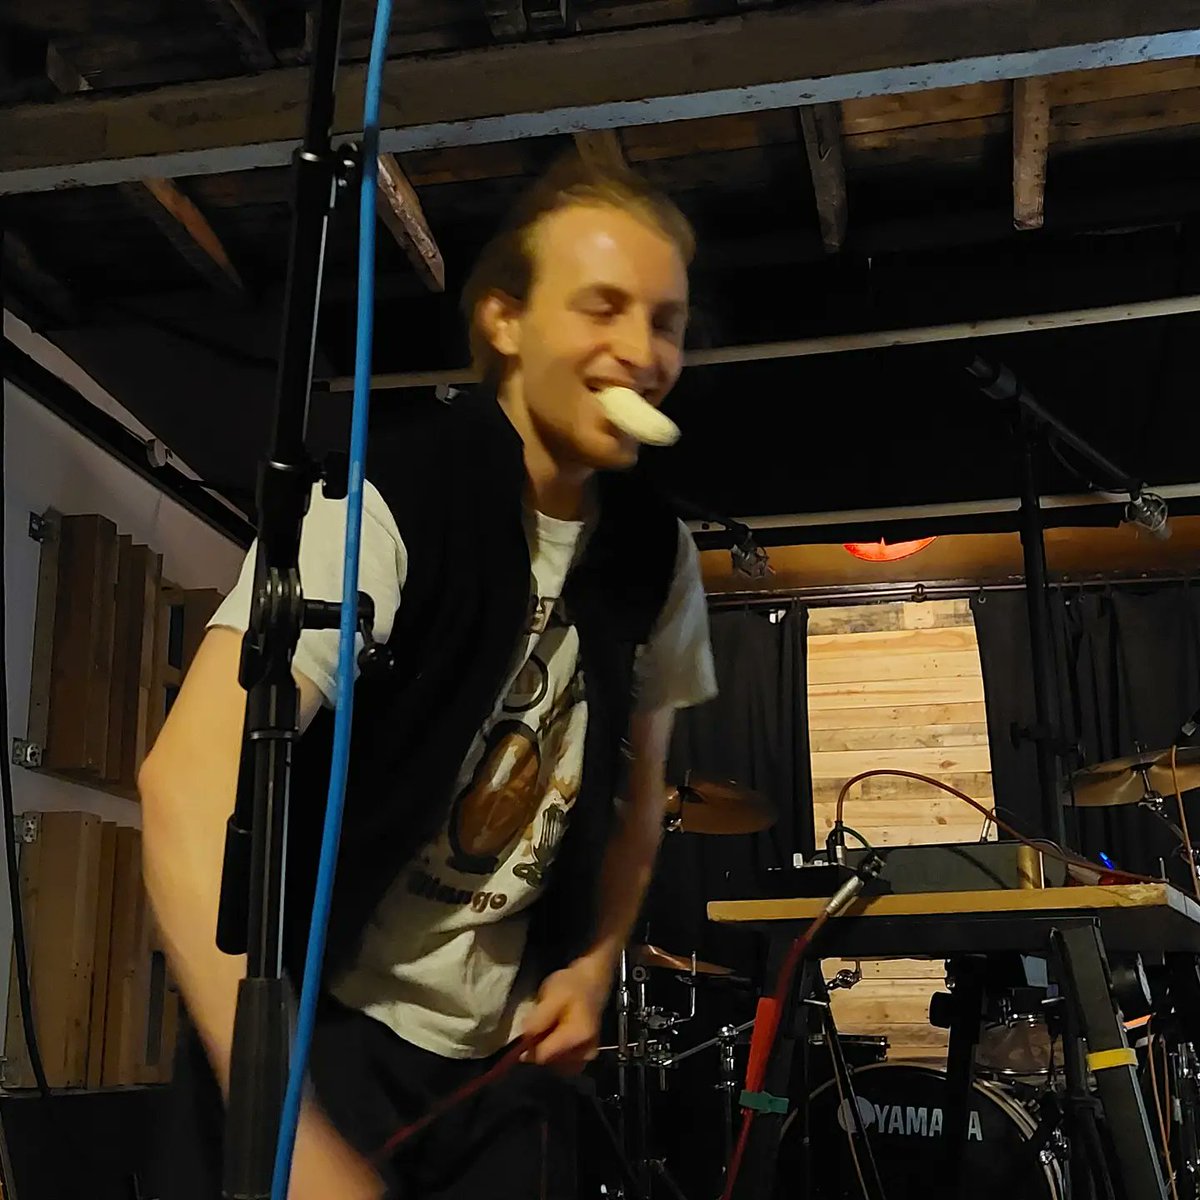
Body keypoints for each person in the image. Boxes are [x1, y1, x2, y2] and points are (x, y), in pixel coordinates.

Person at [139, 154, 717, 1200]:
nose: (642, 352)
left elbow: (642, 797)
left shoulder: (658, 554)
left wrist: (595, 966)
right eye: (603, 307)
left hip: (504, 1061)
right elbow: (183, 782)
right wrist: (283, 1129)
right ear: (505, 321)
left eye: (665, 322)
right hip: (323, 1032)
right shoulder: (381, 502)